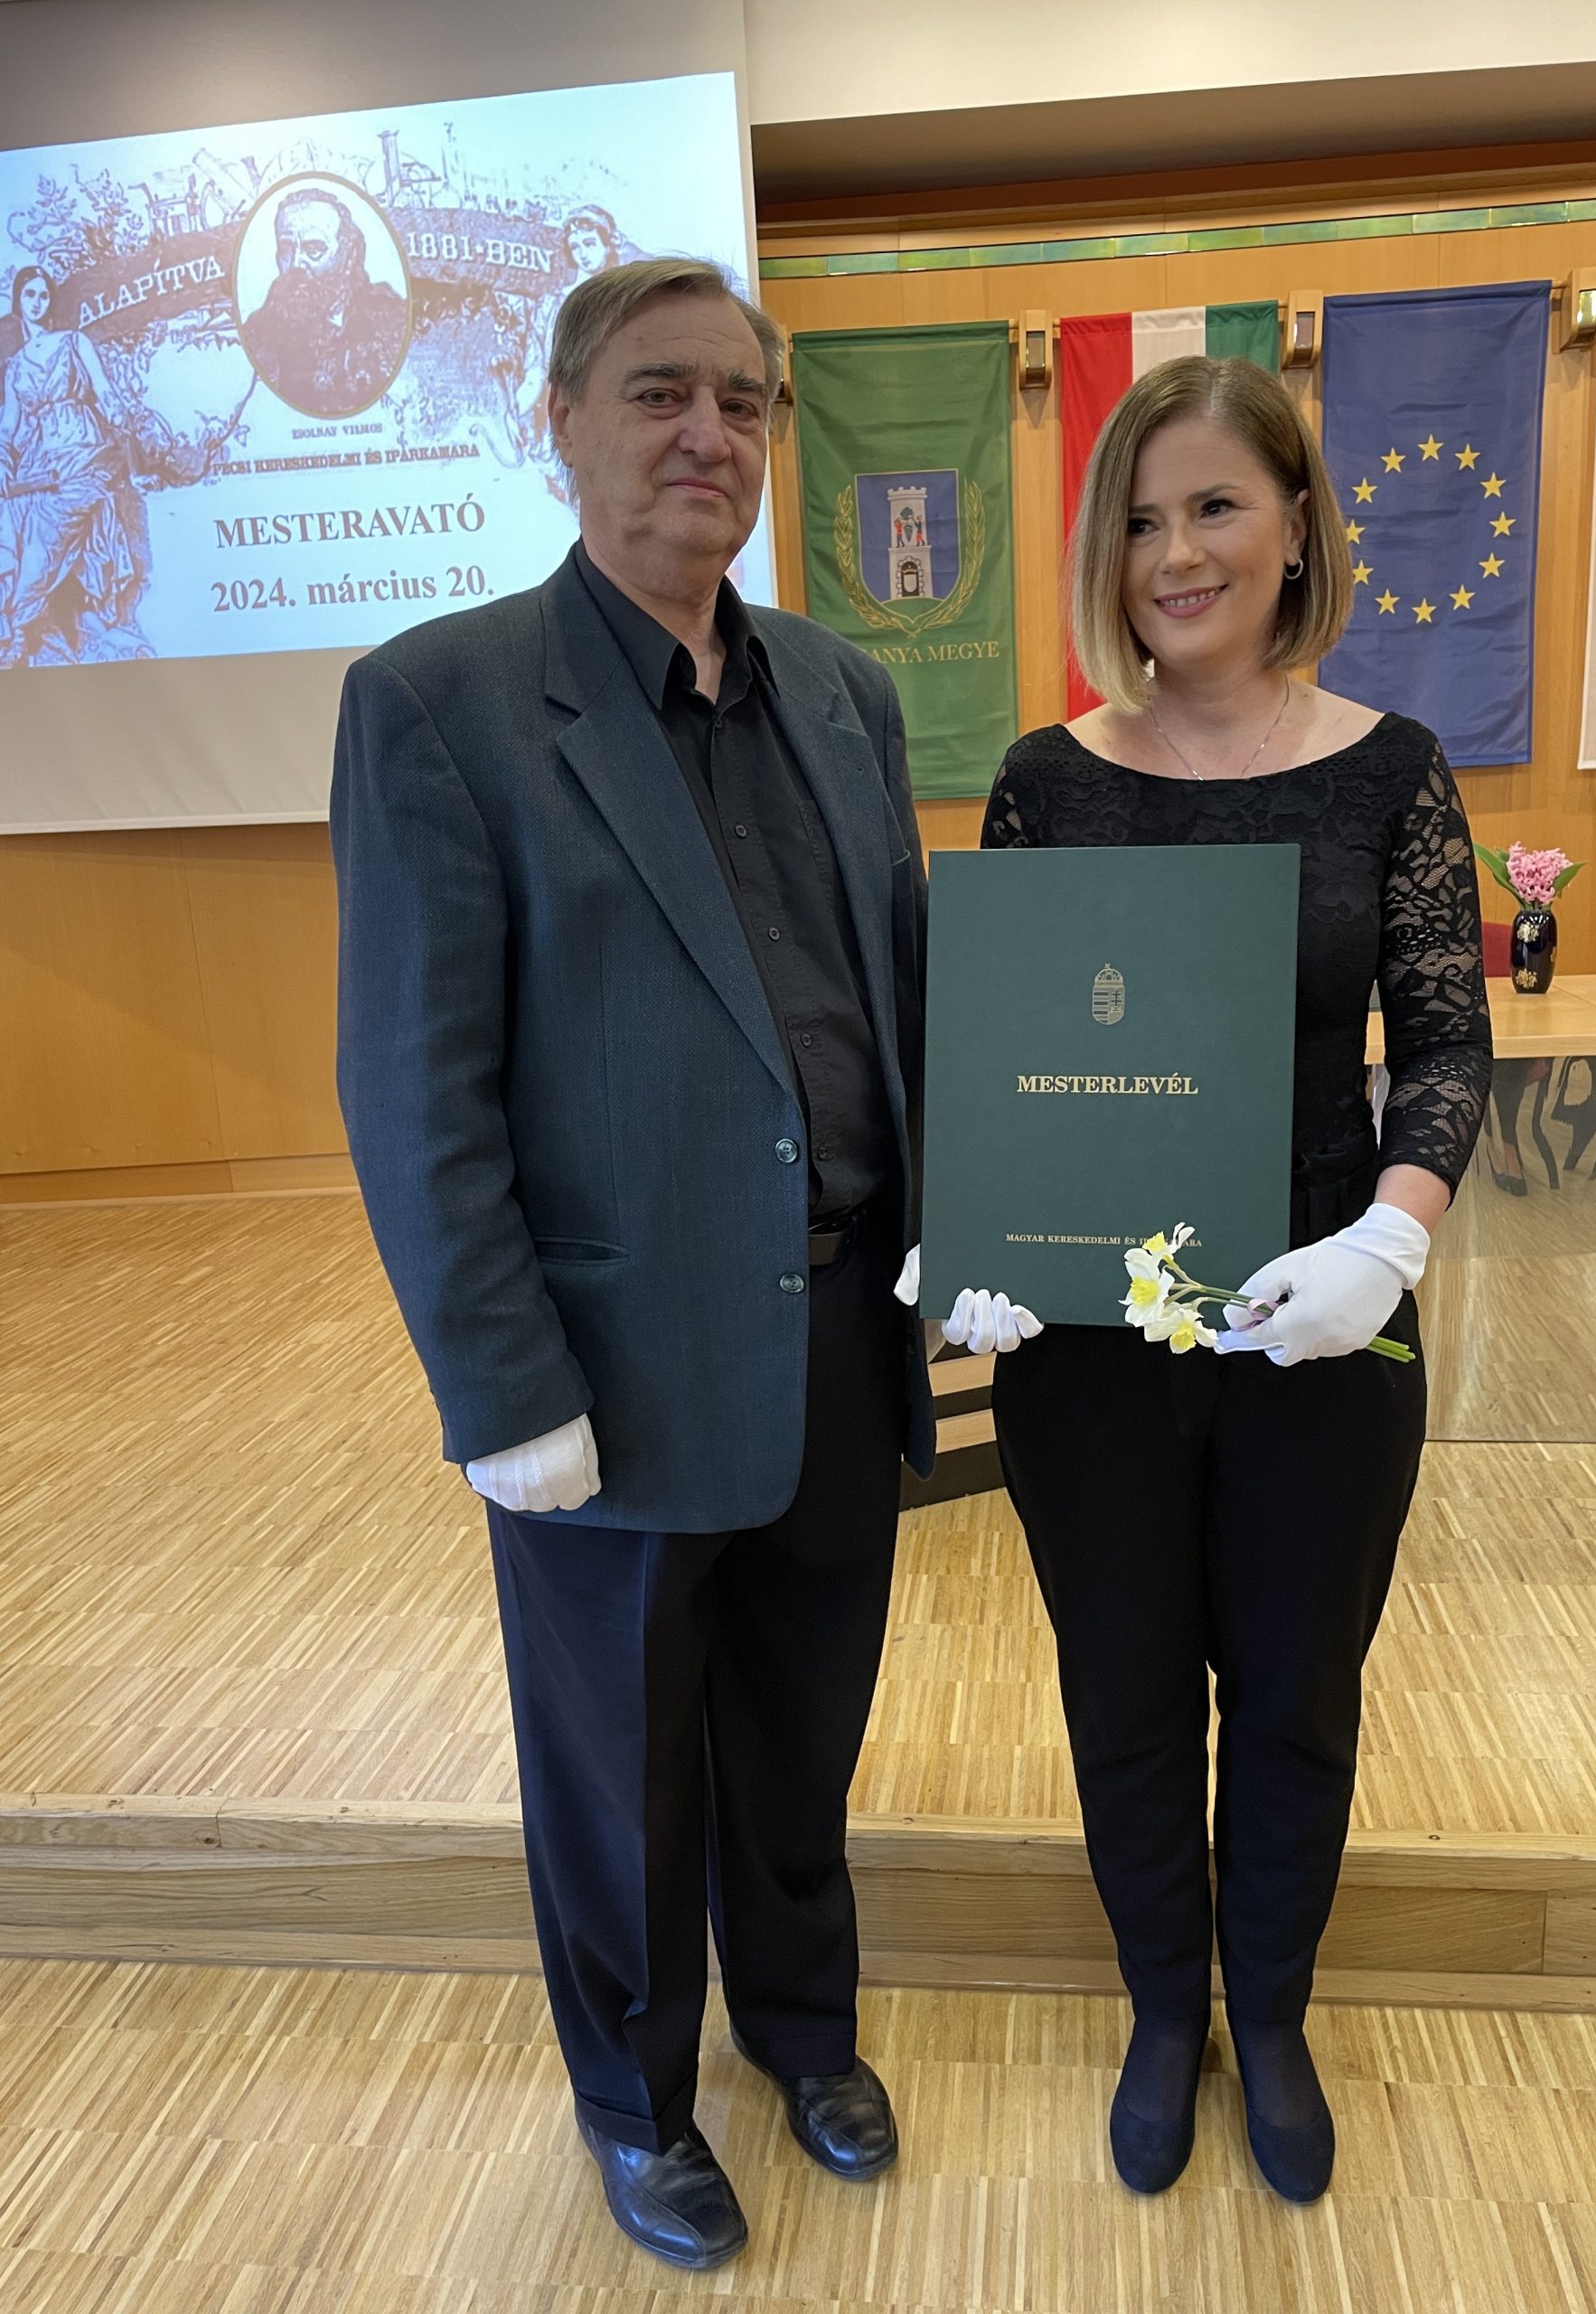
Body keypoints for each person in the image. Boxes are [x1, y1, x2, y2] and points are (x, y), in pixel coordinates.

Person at [331, 257, 933, 2272]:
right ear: (564, 420)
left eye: (742, 402)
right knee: (622, 1780)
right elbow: (417, 1091)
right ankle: (637, 2104)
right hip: (610, 1368)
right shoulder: (442, 703)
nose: (707, 435)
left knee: (803, 1730)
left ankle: (805, 2032)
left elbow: (900, 1004)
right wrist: (504, 1390)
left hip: (840, 1327)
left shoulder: (843, 696)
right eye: (661, 392)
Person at [909, 356, 1491, 2203]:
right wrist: (977, 1231)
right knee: (1127, 1688)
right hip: (1089, 1345)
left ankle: (1276, 2007)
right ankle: (1169, 2006)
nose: (1177, 552)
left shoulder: (1396, 770)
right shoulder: (1044, 779)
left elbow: (1447, 1044)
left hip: (1322, 1321)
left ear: (1297, 524)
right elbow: (997, 1045)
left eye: (1216, 506)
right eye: (1143, 520)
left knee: (1299, 1690)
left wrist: (1391, 1238)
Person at [0, 265, 151, 666]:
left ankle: (18, 622)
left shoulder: (73, 342)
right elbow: (9, 425)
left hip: (84, 453)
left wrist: (125, 427)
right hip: (40, 465)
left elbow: (105, 392)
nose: (37, 302)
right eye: (29, 295)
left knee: (45, 538)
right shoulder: (16, 366)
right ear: (18, 300)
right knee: (13, 522)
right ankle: (28, 630)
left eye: (43, 295)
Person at [240, 187, 408, 416]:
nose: (297, 263)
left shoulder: (391, 322)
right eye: (287, 249)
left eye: (314, 249)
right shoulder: (258, 334)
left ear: (348, 254)